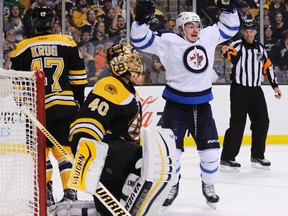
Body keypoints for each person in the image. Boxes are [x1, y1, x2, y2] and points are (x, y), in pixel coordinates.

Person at [131, 0, 240, 209]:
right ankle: (172, 186)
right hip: (176, 106)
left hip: (202, 106)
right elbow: (140, 40)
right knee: (173, 153)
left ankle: (208, 186)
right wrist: (141, 21)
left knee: (210, 153)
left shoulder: (207, 36)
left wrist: (228, 9)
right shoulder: (168, 40)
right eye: (190, 26)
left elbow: (230, 28)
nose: (195, 29)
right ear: (181, 29)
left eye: (197, 25)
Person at [69, 43, 176, 215]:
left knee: (108, 210)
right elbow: (89, 119)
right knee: (143, 158)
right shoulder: (110, 85)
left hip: (114, 160)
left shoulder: (127, 89)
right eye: (131, 61)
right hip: (107, 153)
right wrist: (85, 148)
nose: (136, 64)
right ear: (119, 64)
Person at [10, 4, 88, 208]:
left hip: (37, 109)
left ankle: (46, 195)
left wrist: (23, 106)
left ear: (33, 23)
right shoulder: (67, 42)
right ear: (53, 22)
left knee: (41, 153)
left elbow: (18, 83)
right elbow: (79, 78)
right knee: (64, 151)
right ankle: (70, 193)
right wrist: (78, 101)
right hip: (65, 106)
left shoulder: (21, 48)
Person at [220, 19, 282, 172]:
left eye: (251, 31)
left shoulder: (260, 49)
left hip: (256, 90)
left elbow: (268, 67)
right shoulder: (237, 46)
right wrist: (224, 50)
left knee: (262, 121)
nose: (248, 33)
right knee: (237, 124)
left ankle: (257, 155)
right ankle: (227, 159)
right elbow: (230, 54)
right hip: (239, 90)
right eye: (246, 31)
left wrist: (275, 85)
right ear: (243, 32)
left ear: (255, 32)